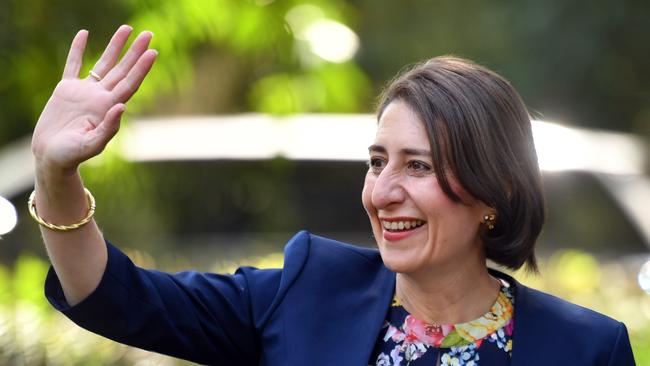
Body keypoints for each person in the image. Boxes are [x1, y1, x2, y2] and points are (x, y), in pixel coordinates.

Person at [31, 25, 635, 365]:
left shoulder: (587, 348)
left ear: (494, 190)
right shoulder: (304, 293)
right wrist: (56, 176)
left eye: (418, 166)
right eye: (378, 162)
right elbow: (116, 296)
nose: (383, 192)